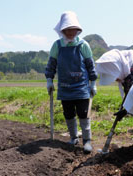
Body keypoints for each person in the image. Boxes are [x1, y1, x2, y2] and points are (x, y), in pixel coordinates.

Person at [45, 11, 98, 153]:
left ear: (77, 30)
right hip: (65, 86)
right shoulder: (57, 46)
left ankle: (87, 140)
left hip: (81, 87)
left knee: (83, 113)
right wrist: (49, 80)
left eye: (73, 29)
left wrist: (93, 83)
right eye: (67, 30)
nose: (70, 32)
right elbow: (51, 65)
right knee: (68, 113)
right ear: (62, 30)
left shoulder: (83, 45)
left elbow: (90, 65)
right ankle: (74, 137)